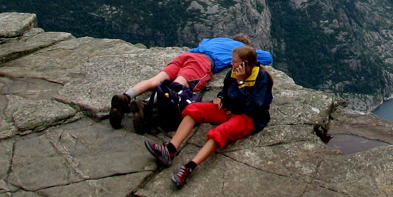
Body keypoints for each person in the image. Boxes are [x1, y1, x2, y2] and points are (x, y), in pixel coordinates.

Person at [144, 45, 274, 189]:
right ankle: (170, 150)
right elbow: (226, 90)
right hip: (229, 108)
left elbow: (253, 107)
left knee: (219, 132)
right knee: (193, 109)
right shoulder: (233, 72)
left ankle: (189, 168)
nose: (232, 64)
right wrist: (221, 97)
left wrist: (241, 83)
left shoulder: (261, 78)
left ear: (245, 64)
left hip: (249, 117)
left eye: (235, 61)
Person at [109, 35, 273, 129]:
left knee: (157, 80)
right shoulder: (240, 50)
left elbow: (203, 41)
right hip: (202, 62)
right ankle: (145, 105)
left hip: (186, 55)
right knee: (179, 84)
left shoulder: (212, 40)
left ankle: (126, 97)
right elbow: (267, 57)